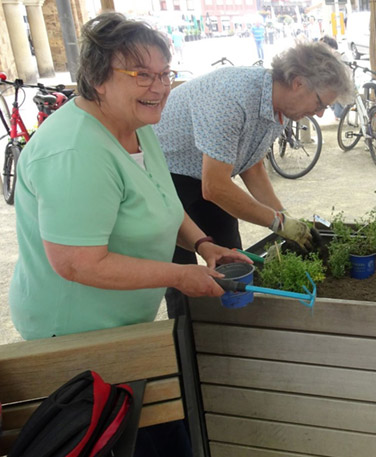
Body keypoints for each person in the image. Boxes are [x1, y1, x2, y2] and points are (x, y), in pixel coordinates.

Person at [9, 12, 249, 455]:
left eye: (164, 73)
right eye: (142, 75)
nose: (159, 87)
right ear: (99, 79)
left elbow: (164, 203)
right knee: (113, 437)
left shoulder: (137, 125)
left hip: (122, 324)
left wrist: (203, 244)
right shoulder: (75, 151)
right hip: (75, 334)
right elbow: (77, 262)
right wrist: (178, 276)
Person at [153, 42, 352, 316]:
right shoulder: (232, 96)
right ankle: (190, 342)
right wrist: (276, 221)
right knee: (183, 278)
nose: (319, 113)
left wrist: (283, 217)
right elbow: (215, 187)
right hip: (165, 175)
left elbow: (252, 166)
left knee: (232, 259)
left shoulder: (279, 107)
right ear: (297, 83)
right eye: (320, 103)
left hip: (206, 173)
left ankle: (232, 329)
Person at [319, 35, 348, 121]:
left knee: (339, 112)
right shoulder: (333, 55)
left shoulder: (334, 54)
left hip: (339, 85)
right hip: (335, 85)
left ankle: (337, 113)